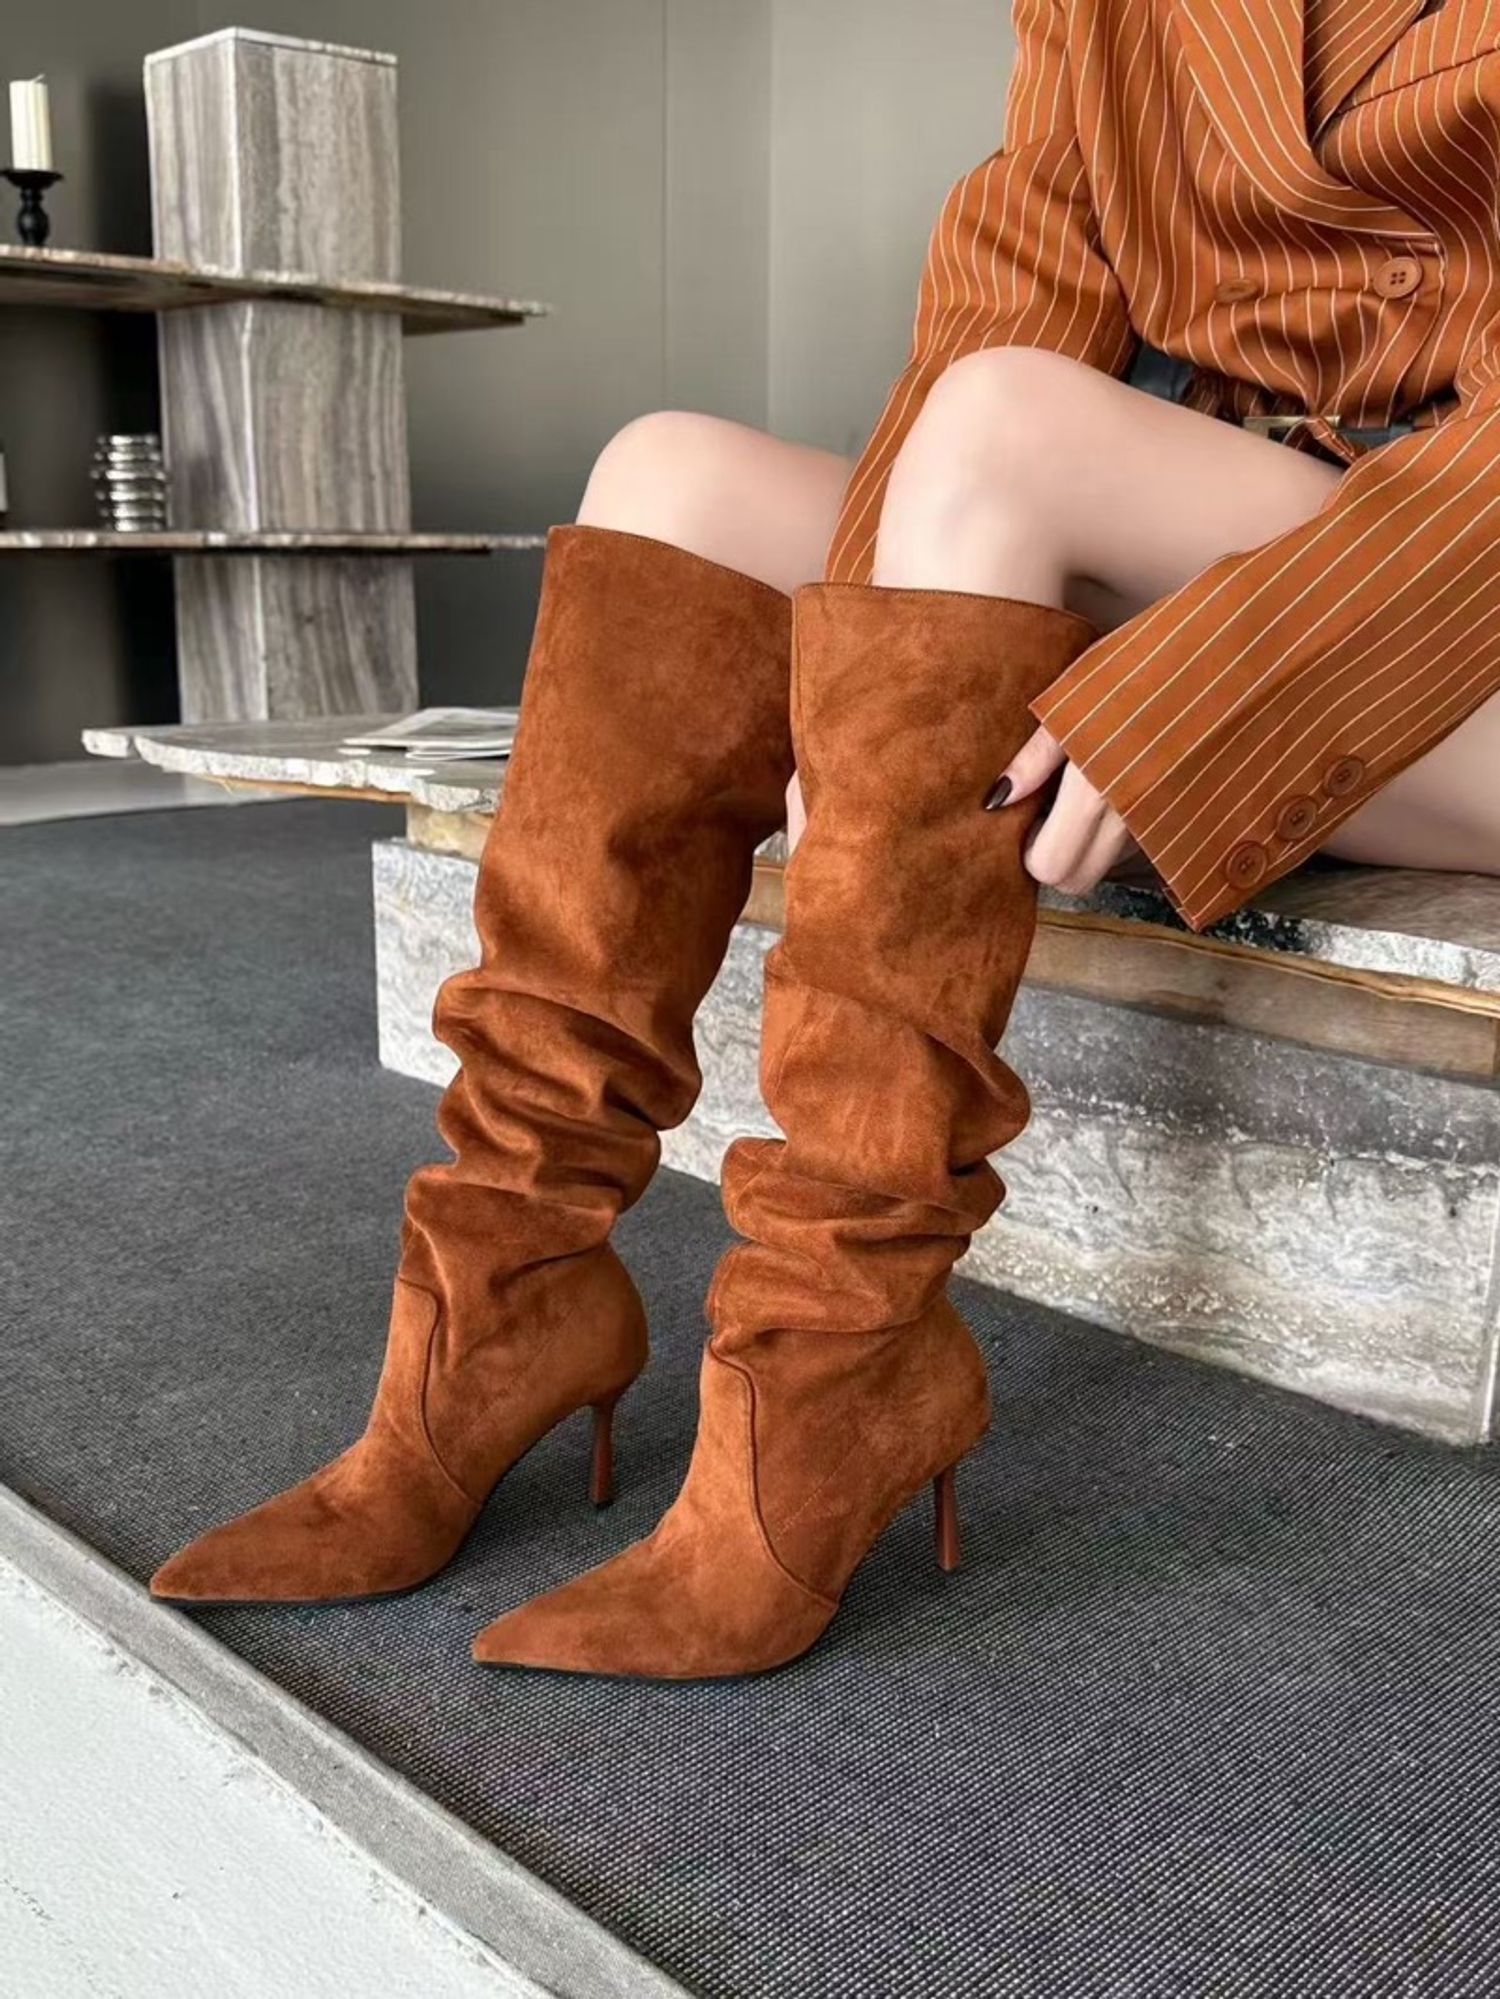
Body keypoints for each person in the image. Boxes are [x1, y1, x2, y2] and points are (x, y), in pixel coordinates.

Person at [151, 0, 1500, 1677]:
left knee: (1010, 429)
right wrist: (864, 685)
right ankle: (499, 1295)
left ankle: (837, 1364)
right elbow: (1015, 290)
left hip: (1445, 610)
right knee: (673, 479)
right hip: (1206, 516)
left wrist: (1211, 680)